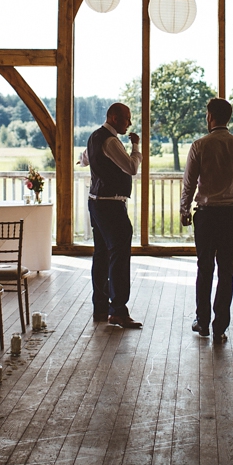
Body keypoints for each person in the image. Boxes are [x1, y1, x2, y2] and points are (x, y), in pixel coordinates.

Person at [179, 97, 233, 343]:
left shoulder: (199, 145)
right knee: (227, 272)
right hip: (231, 216)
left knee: (205, 269)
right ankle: (220, 326)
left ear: (210, 116)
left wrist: (184, 210)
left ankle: (202, 322)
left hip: (206, 215)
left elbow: (189, 183)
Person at [79, 102, 143, 329]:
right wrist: (136, 146)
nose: (130, 123)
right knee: (119, 256)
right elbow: (131, 168)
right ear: (115, 118)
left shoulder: (95, 137)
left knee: (101, 255)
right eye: (128, 118)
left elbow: (84, 159)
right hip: (112, 205)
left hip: (96, 203)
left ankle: (101, 307)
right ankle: (118, 310)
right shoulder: (110, 140)